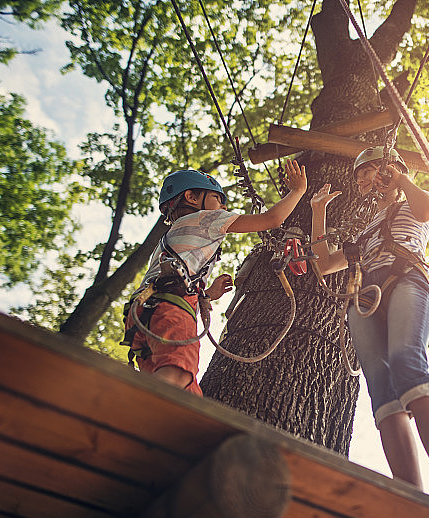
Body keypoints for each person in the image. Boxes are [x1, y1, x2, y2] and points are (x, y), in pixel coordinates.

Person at [309, 147, 429, 508]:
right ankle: (412, 500)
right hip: (364, 298)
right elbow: (323, 265)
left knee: (406, 363)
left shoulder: (414, 202)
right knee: (382, 392)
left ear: (391, 169)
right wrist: (318, 212)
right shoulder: (363, 228)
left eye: (369, 172)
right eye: (360, 175)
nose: (363, 179)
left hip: (406, 279)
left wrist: (401, 178)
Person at [123, 160, 307, 395]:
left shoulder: (172, 236)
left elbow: (174, 276)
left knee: (185, 391)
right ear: (191, 197)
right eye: (218, 198)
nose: (222, 205)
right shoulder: (207, 218)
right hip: (170, 307)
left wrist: (208, 294)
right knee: (176, 374)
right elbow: (272, 219)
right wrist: (297, 190)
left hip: (144, 310)